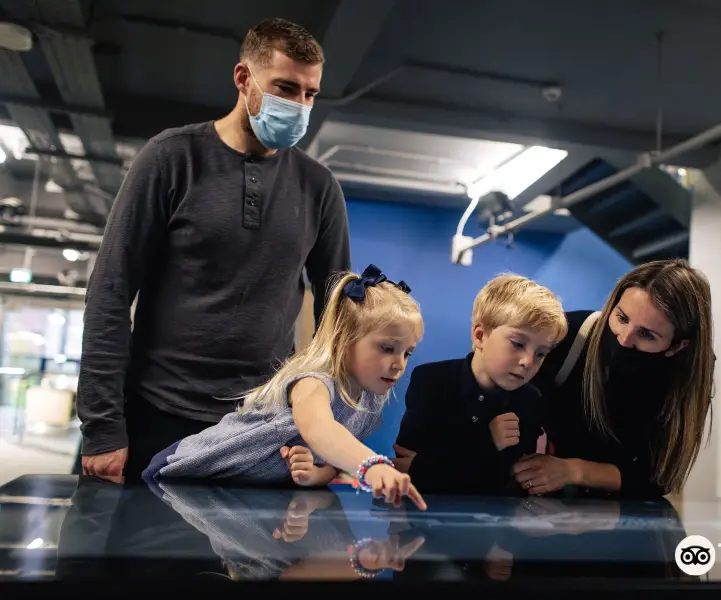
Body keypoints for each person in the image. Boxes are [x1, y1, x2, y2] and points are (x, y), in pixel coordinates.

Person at [77, 17, 352, 482]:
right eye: (286, 88)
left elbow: (338, 319)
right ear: (244, 79)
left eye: (310, 94)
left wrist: (327, 430)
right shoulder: (170, 158)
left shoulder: (319, 187)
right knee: (123, 553)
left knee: (245, 556)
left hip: (259, 425)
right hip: (154, 416)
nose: (300, 106)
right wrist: (103, 428)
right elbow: (109, 293)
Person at [142, 265, 427, 511]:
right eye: (387, 348)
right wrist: (372, 466)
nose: (398, 363)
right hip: (183, 473)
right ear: (344, 340)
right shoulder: (314, 384)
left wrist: (315, 475)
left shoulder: (369, 407)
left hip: (234, 500)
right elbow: (320, 430)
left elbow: (331, 458)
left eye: (407, 353)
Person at [513, 259, 714, 497]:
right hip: (538, 503)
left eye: (646, 335)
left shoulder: (685, 375)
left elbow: (659, 476)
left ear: (678, 346)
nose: (624, 339)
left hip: (621, 514)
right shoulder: (569, 334)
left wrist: (572, 470)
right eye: (622, 318)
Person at [393, 274, 567, 495]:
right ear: (480, 335)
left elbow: (504, 482)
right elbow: (405, 467)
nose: (528, 361)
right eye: (518, 344)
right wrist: (488, 442)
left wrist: (431, 467)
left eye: (541, 353)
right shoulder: (430, 381)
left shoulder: (529, 401)